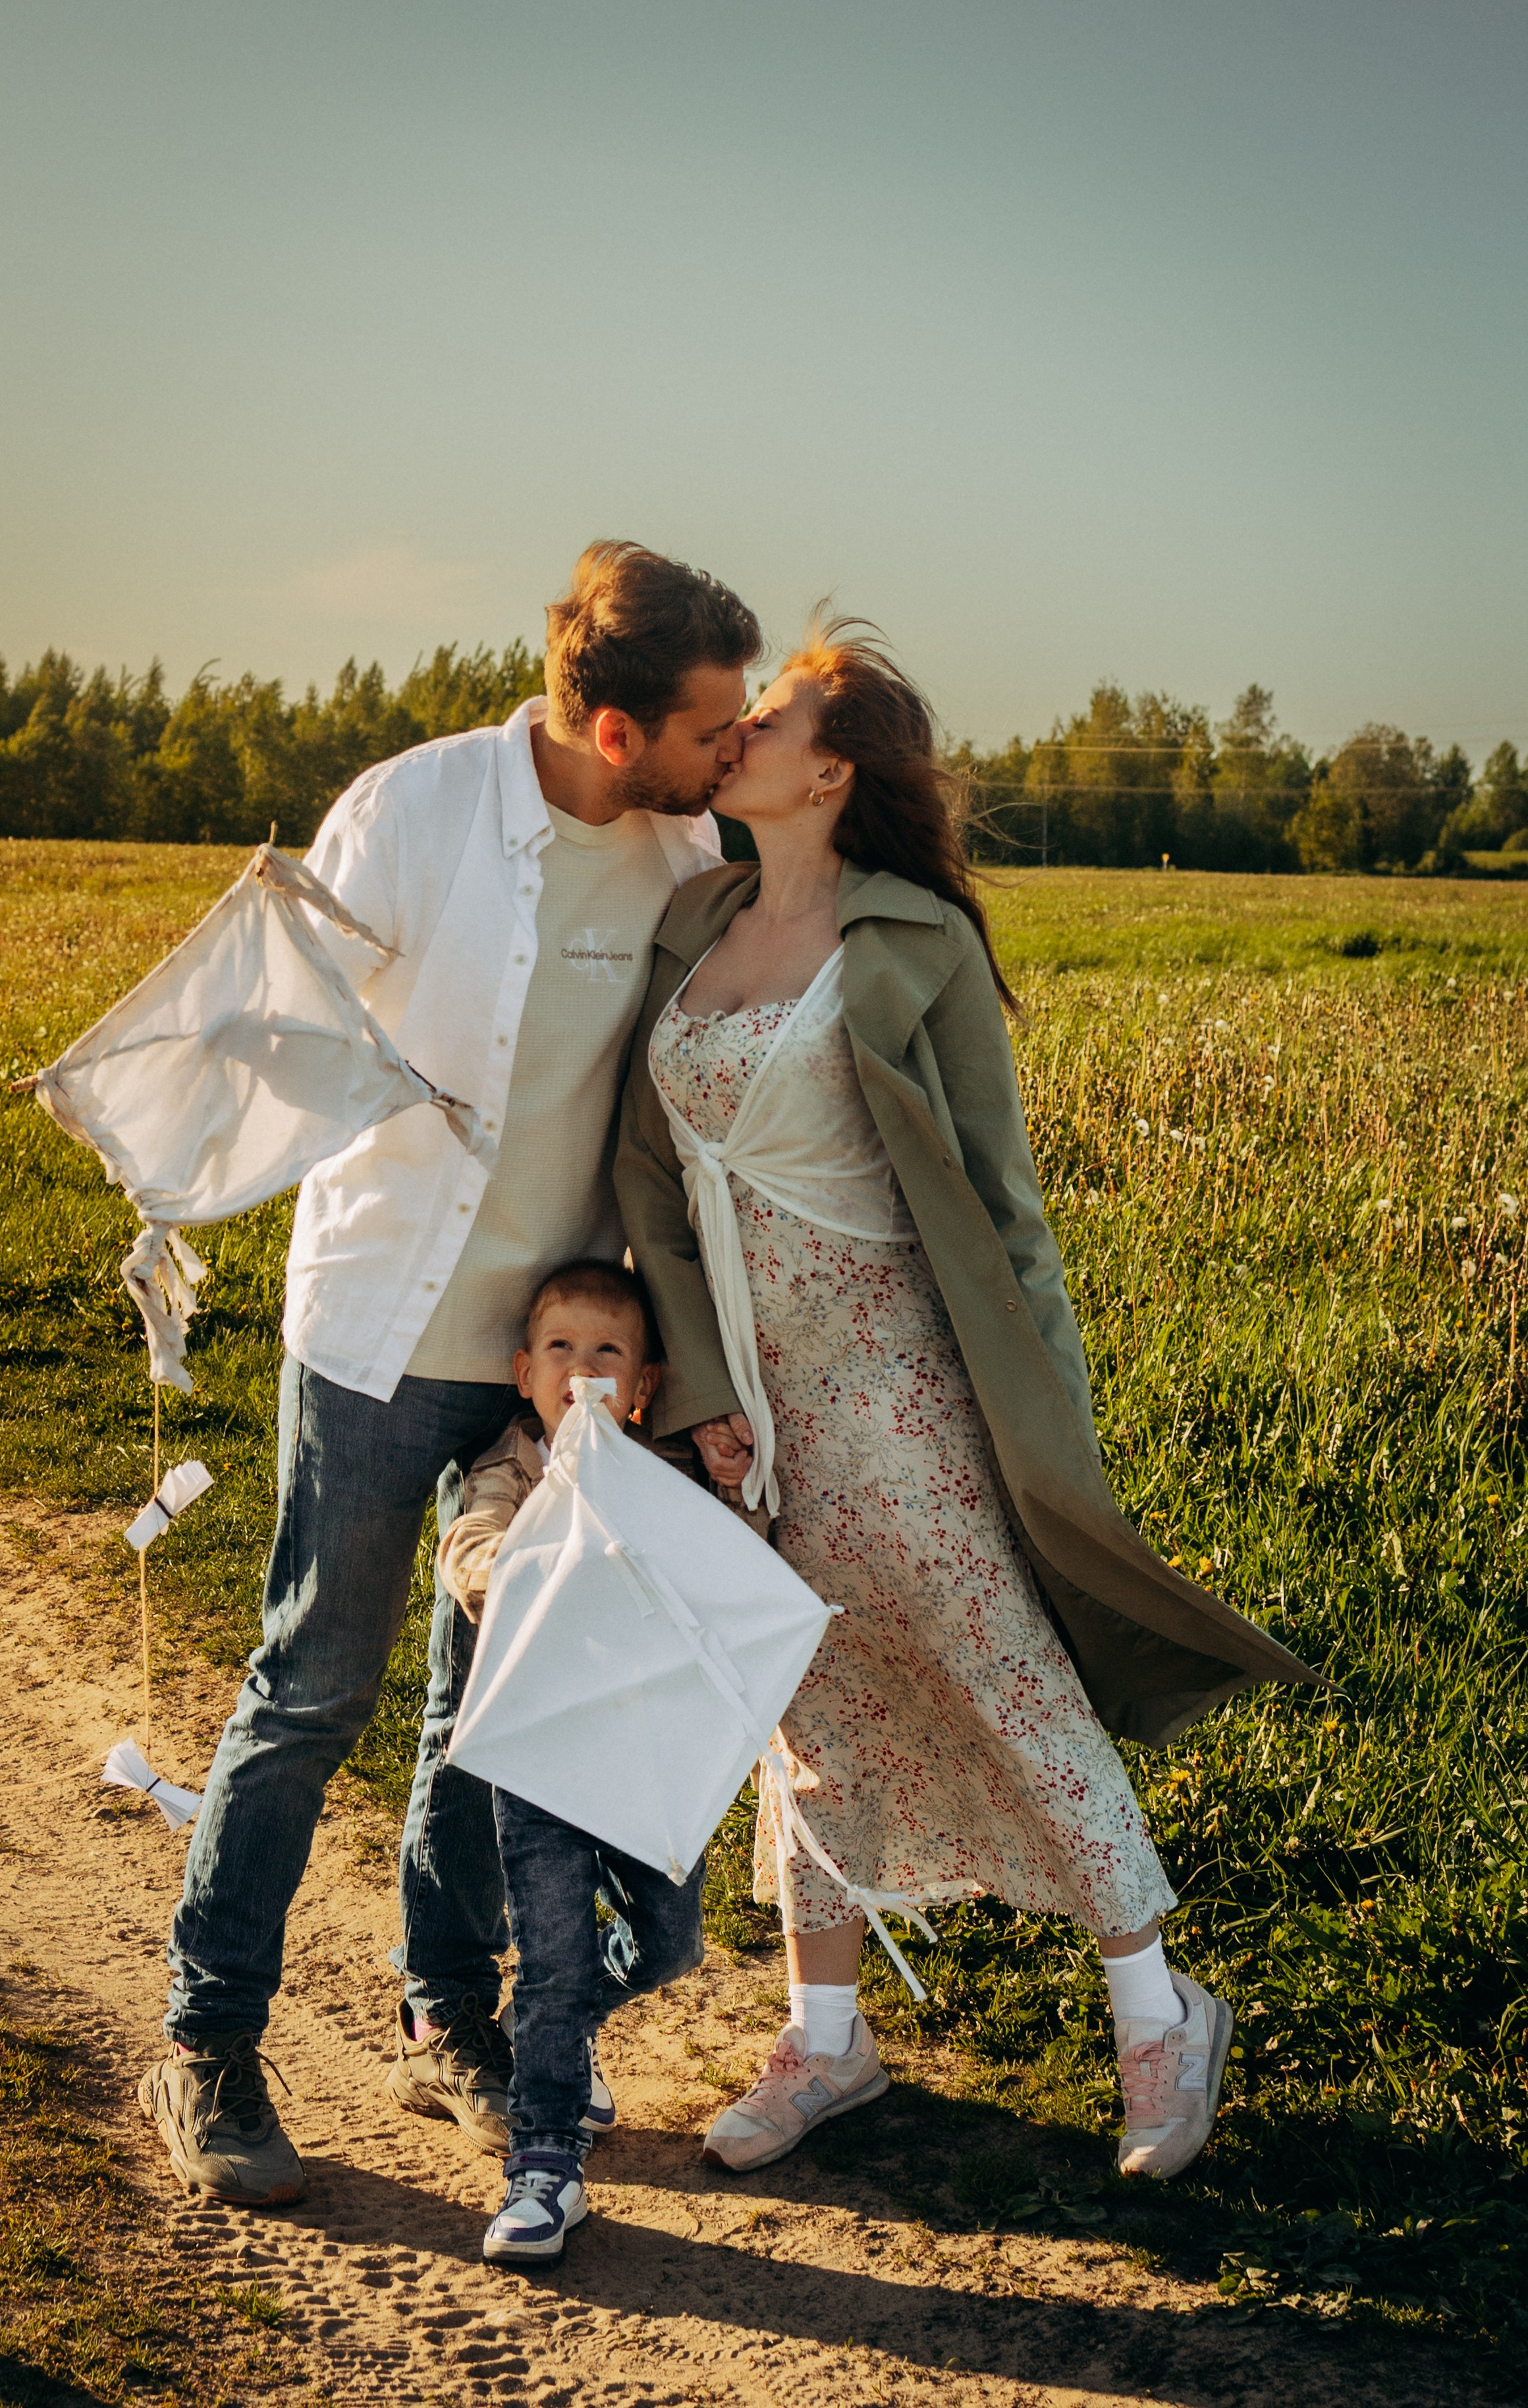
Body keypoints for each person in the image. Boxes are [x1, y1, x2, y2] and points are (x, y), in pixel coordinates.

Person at [615, 621, 1320, 2182]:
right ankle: (827, 2039)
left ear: (834, 766)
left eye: (771, 716)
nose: (734, 732)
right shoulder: (692, 922)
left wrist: (1047, 1420)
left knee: (1006, 1680)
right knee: (804, 1717)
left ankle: (1158, 2012)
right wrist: (708, 1395)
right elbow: (649, 1185)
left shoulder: (909, 937)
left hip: (902, 1392)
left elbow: (1004, 1209)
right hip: (757, 1406)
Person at [138, 542, 761, 2208]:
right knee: (311, 1686)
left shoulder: (690, 851)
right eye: (712, 722)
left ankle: (448, 2015)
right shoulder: (408, 814)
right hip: (371, 1333)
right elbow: (269, 1028)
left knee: (480, 1708)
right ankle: (205, 2038)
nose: (736, 744)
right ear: (617, 729)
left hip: (548, 1366)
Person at [435, 1257, 706, 2266]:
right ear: (523, 1371)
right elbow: (471, 1539)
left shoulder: (664, 1470)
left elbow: (725, 1558)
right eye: (561, 1349)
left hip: (647, 1757)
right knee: (549, 1961)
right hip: (541, 1754)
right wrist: (500, 1567)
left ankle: (566, 2017)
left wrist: (730, 1491)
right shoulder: (515, 1465)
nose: (581, 1368)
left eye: (607, 1353)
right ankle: (544, 2168)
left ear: (641, 1386)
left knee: (673, 1942)